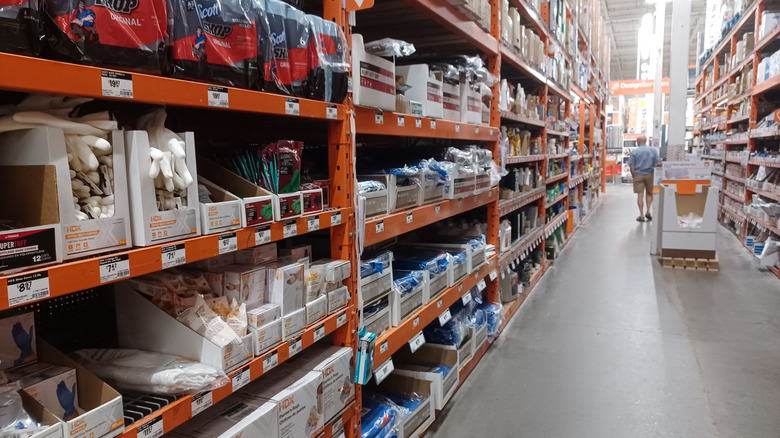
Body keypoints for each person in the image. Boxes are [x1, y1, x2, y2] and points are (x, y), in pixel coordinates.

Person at [627, 135, 661, 222]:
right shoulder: (653, 150)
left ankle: (641, 215)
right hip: (650, 174)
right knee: (649, 193)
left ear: (638, 142)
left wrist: (634, 175)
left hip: (638, 174)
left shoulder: (635, 152)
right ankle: (648, 211)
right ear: (645, 141)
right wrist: (652, 165)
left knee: (640, 195)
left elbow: (631, 166)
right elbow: (658, 163)